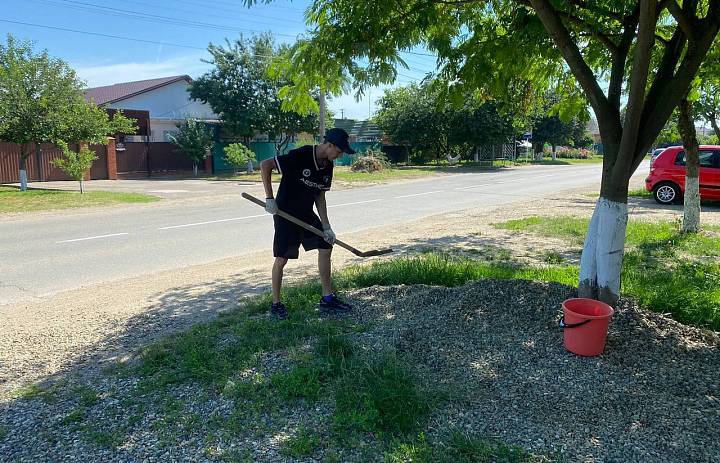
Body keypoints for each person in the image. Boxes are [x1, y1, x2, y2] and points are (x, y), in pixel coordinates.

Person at [260, 128, 356, 319]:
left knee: (326, 244)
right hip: (285, 214)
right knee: (282, 259)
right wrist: (270, 198)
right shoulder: (301, 155)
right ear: (329, 145)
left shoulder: (328, 165)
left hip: (305, 213)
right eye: (339, 151)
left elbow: (320, 197)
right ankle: (276, 304)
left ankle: (327, 299)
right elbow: (265, 165)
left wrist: (327, 227)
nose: (340, 155)